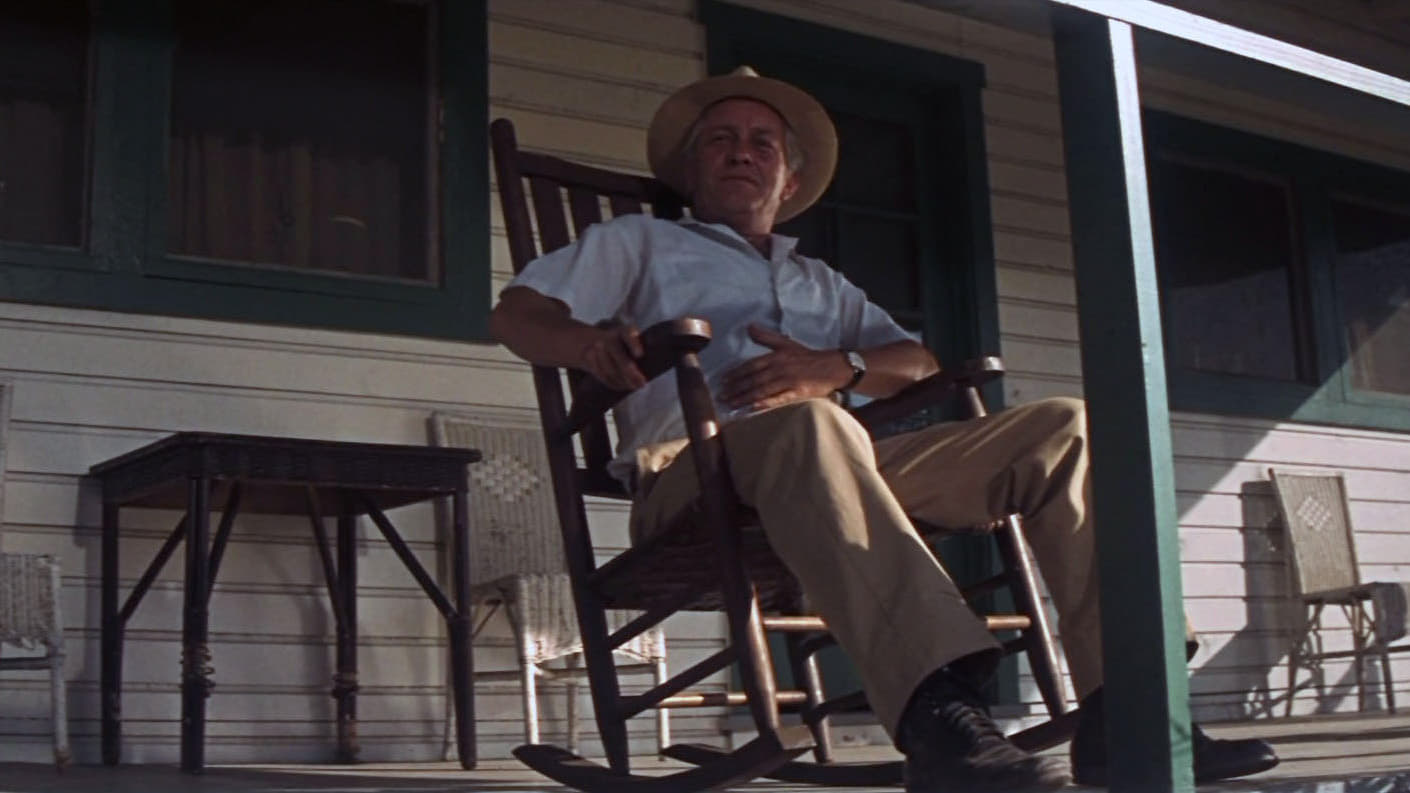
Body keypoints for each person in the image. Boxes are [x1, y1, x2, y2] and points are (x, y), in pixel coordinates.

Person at [489, 66, 1279, 793]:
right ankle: (940, 717)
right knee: (811, 426)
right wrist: (586, 346)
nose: (741, 153)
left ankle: (1133, 711)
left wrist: (838, 367)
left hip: (838, 466)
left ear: (788, 179)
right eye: (720, 141)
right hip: (691, 477)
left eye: (762, 143)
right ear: (691, 172)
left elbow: (917, 361)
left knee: (1067, 426)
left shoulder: (818, 281)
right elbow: (517, 314)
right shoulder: (637, 243)